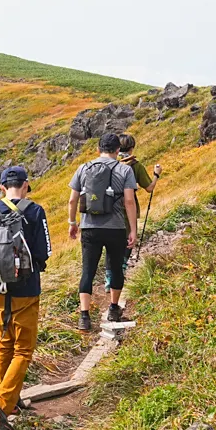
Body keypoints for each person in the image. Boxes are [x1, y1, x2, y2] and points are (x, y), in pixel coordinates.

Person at [0, 165, 51, 430]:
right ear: (27, 185)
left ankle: (9, 400)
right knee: (23, 350)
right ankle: (1, 404)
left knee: (4, 345)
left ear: (2, 187)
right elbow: (44, 253)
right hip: (27, 289)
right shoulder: (35, 211)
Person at [68, 133, 139, 331]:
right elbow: (129, 201)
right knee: (115, 268)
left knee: (88, 270)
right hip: (116, 227)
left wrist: (72, 222)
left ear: (98, 149)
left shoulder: (83, 168)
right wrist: (132, 229)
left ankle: (84, 316)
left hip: (89, 227)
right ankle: (114, 308)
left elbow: (73, 200)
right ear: (118, 150)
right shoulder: (124, 170)